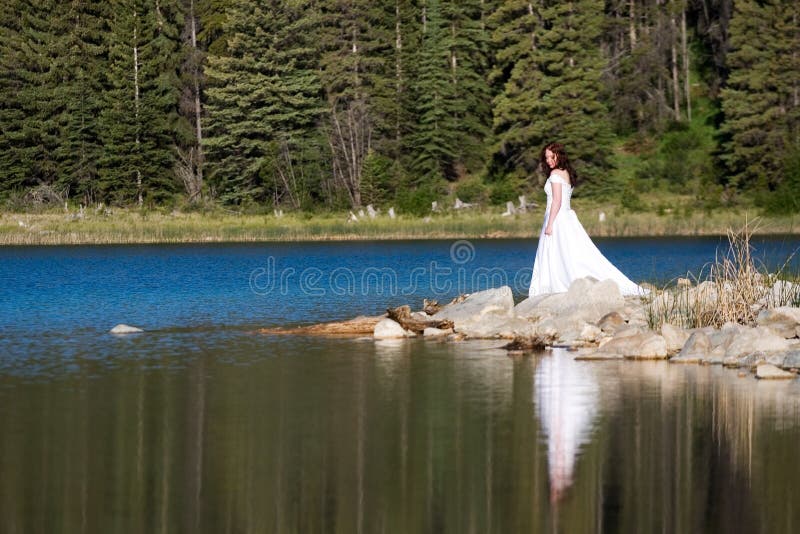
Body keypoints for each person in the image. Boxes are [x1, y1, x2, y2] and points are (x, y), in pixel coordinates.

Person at [529, 142, 646, 297]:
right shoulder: (566, 172)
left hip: (557, 218)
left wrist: (549, 225)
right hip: (567, 217)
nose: (549, 160)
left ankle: (553, 288)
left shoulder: (555, 174)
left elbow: (556, 201)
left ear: (559, 155)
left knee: (558, 254)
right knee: (572, 254)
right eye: (546, 157)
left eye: (552, 156)